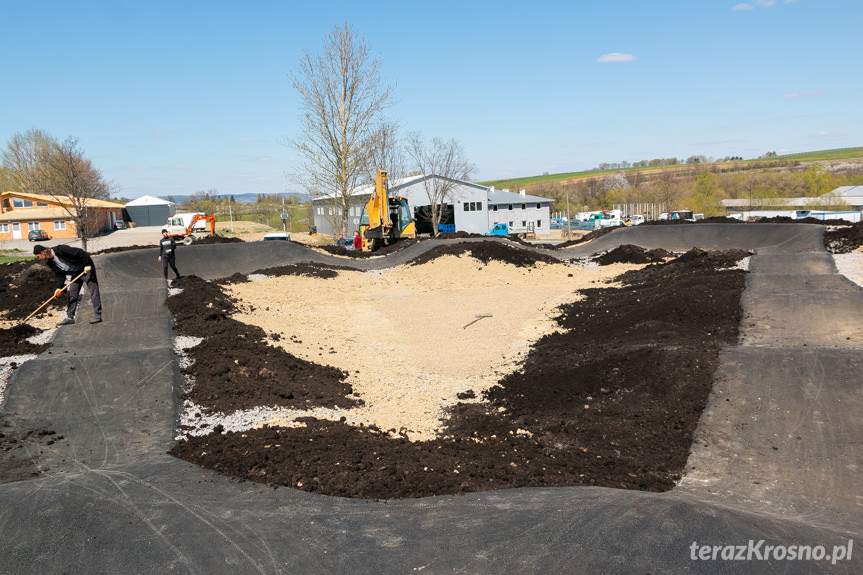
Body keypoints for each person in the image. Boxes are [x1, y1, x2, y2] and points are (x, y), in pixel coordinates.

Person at [34, 244, 102, 326]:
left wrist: (87, 264)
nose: (38, 259)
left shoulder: (60, 250)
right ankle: (70, 317)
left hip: (86, 270)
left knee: (93, 291)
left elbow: (80, 252)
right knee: (72, 293)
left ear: (43, 252)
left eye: (38, 256)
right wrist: (59, 288)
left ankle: (97, 315)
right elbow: (60, 275)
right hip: (75, 273)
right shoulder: (50, 262)